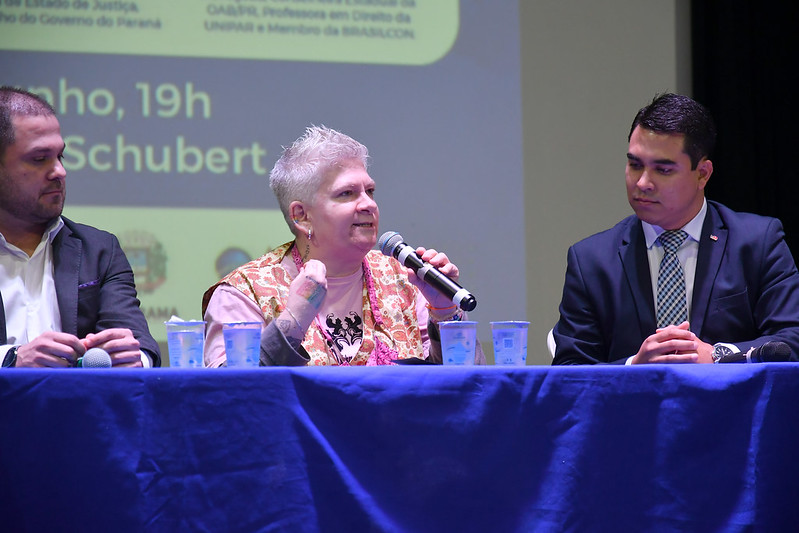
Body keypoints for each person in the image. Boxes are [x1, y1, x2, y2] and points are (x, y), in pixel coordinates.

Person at [202, 125, 484, 366]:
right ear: (301, 216)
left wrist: (445, 313)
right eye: (347, 193)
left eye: (370, 191)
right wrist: (293, 322)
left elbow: (471, 390)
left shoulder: (407, 278)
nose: (368, 204)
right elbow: (225, 396)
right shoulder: (244, 292)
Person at [552, 92, 799, 365]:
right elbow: (569, 370)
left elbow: (792, 341)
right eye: (635, 165)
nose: (642, 182)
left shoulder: (758, 243)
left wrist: (717, 356)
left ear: (702, 174)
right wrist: (633, 367)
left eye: (663, 170)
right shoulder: (591, 261)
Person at [0, 86, 160, 368]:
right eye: (39, 159)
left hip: (78, 398)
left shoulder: (99, 250)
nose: (59, 172)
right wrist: (10, 360)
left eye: (60, 156)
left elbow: (142, 347)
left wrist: (134, 359)